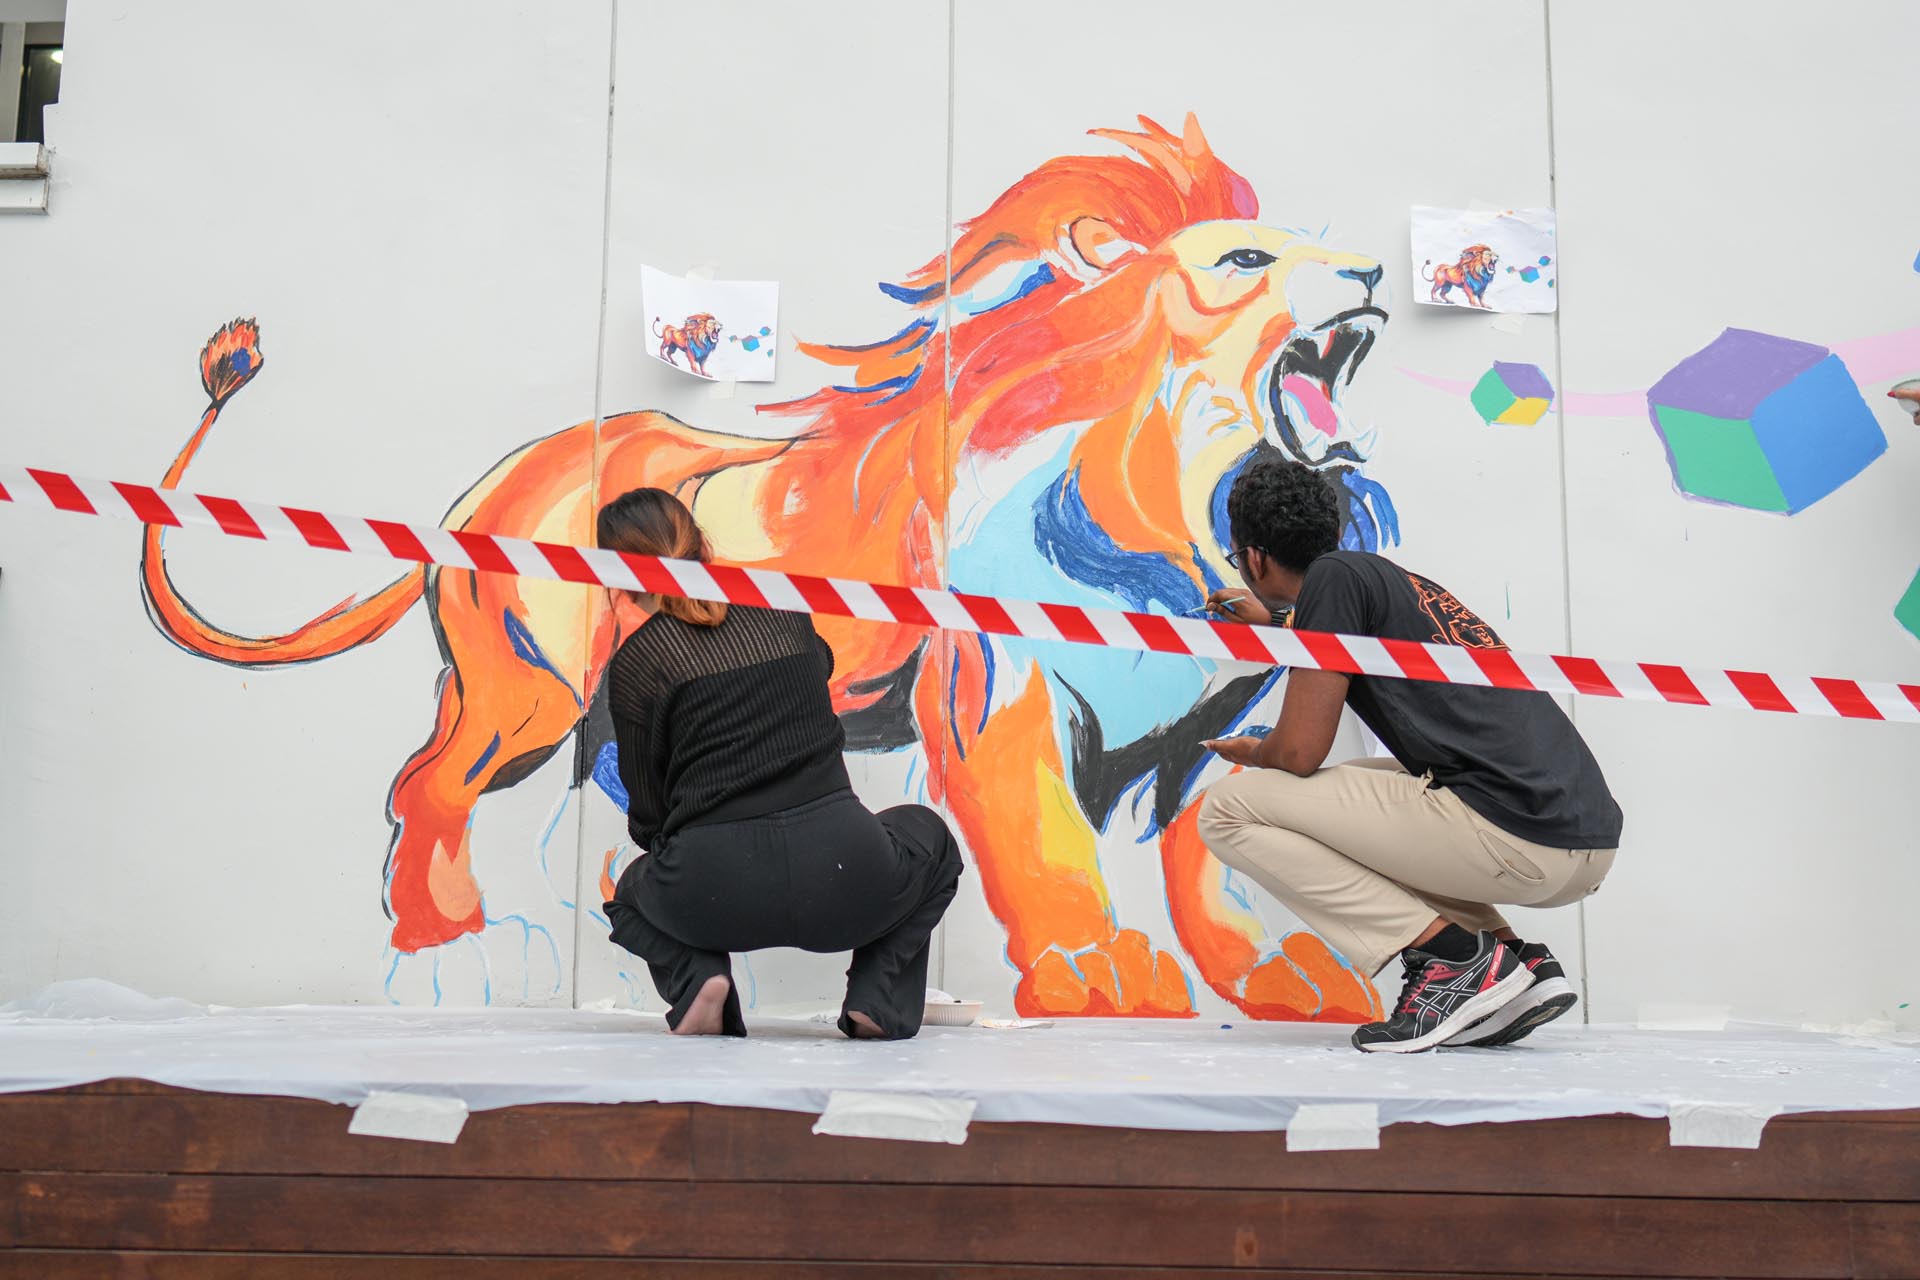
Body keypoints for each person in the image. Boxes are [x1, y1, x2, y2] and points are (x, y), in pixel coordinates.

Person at [1195, 459, 1622, 1054]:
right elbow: (1348, 638)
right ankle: (1513, 962)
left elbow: (1297, 751)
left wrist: (1255, 751)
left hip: (1521, 838)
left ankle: (1453, 962)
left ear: (1254, 560)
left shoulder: (1333, 583)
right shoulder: (1387, 582)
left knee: (1228, 810)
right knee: (1357, 791)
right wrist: (1280, 621)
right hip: (1577, 839)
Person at [596, 487, 964, 1040]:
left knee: (631, 893)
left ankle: (699, 981)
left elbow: (647, 813)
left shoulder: (638, 663)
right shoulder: (779, 607)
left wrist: (683, 850)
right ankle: (877, 999)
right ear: (700, 544)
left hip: (715, 889)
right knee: (929, 838)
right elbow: (821, 665)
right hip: (844, 870)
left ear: (616, 580)